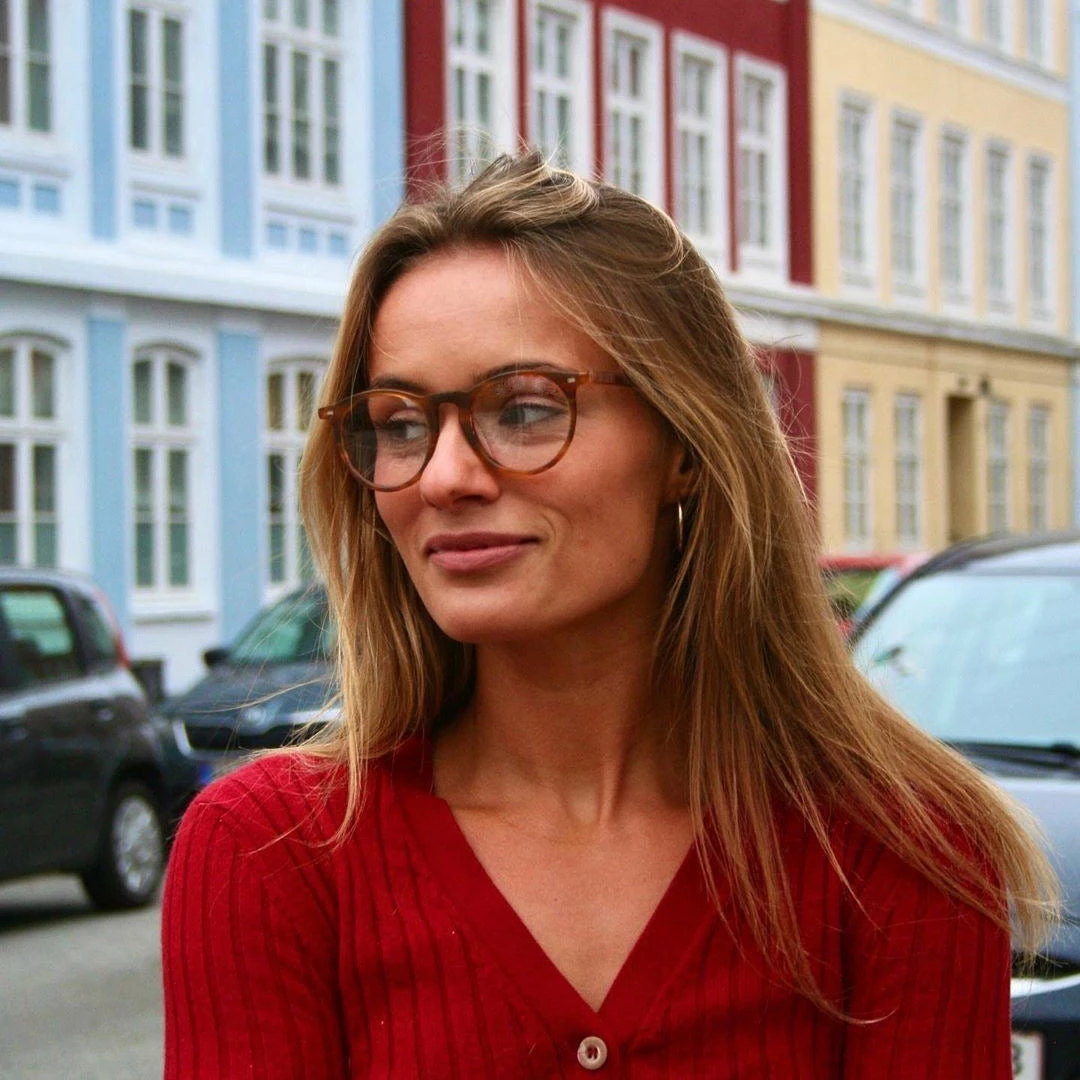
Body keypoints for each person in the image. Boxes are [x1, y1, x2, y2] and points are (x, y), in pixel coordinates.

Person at [162, 151, 1057, 1078]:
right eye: (398, 423)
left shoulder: (900, 848)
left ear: (686, 446)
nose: (443, 477)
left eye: (524, 409)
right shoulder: (271, 852)